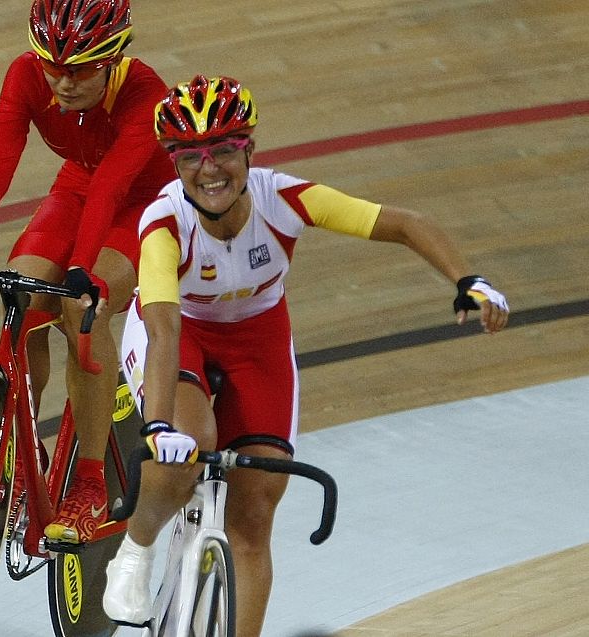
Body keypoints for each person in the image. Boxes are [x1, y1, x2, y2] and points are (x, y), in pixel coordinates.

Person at [101, 75, 510, 634]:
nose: (209, 169)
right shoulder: (165, 223)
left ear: (249, 150)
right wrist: (156, 427)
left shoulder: (285, 199)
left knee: (254, 515)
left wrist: (467, 279)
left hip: (258, 338)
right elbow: (164, 328)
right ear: (174, 163)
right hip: (181, 331)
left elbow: (403, 224)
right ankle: (137, 549)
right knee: (188, 446)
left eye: (223, 150)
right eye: (191, 156)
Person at [0, 0, 175, 544]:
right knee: (20, 296)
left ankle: (90, 480)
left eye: (81, 70)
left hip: (144, 202)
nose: (63, 83)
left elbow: (112, 188)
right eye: (53, 66)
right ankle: (25, 452)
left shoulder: (146, 94)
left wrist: (81, 270)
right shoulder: (26, 75)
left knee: (80, 308)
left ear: (112, 59)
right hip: (77, 188)